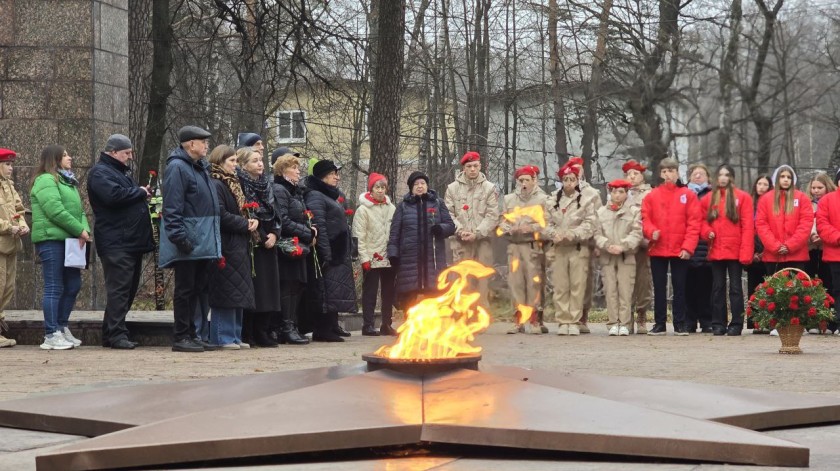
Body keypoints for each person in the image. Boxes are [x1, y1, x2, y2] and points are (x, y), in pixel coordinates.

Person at [87, 135, 154, 350]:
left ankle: (112, 333)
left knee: (127, 289)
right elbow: (113, 197)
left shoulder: (117, 172)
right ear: (113, 152)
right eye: (127, 153)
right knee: (119, 290)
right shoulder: (100, 172)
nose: (130, 157)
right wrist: (140, 192)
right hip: (117, 242)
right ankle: (116, 334)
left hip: (128, 241)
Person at [159, 126, 221, 353]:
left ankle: (192, 334)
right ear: (190, 144)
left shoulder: (199, 167)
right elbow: (172, 208)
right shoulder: (177, 168)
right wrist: (180, 238)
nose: (206, 145)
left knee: (196, 289)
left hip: (202, 241)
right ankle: (181, 336)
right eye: (202, 141)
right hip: (189, 241)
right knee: (185, 290)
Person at [30, 145, 91, 350]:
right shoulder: (46, 180)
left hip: (71, 239)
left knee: (73, 285)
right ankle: (50, 333)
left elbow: (79, 210)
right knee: (54, 286)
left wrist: (84, 230)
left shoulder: (67, 180)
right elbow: (55, 210)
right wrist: (78, 230)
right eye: (65, 155)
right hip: (51, 240)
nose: (70, 157)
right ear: (54, 159)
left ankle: (61, 326)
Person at [642, 157, 701, 336]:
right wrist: (651, 231)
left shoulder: (688, 195)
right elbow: (645, 218)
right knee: (659, 288)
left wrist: (688, 247)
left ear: (677, 173)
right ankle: (659, 323)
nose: (668, 174)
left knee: (679, 287)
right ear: (661, 174)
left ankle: (679, 324)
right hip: (658, 248)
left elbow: (694, 223)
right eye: (665, 171)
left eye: (672, 171)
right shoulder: (652, 195)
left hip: (680, 249)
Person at [207, 145, 256, 349]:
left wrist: (252, 221)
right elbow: (220, 214)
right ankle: (222, 336)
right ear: (220, 161)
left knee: (237, 292)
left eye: (236, 160)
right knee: (226, 291)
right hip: (227, 244)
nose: (236, 165)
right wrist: (244, 224)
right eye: (232, 161)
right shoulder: (217, 183)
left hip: (239, 243)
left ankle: (234, 335)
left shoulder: (233, 183)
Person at [304, 160, 358, 342]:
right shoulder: (316, 196)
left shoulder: (329, 195)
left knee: (335, 290)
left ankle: (332, 325)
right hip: (329, 252)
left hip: (338, 250)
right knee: (326, 291)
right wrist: (325, 252)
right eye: (333, 174)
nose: (337, 177)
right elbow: (319, 226)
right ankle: (323, 329)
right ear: (323, 176)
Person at [699, 165, 754, 336]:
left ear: (732, 177)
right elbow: (700, 221)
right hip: (716, 249)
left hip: (736, 250)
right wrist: (707, 232)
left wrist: (746, 253)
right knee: (718, 287)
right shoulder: (708, 198)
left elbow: (748, 227)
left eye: (727, 175)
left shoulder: (743, 197)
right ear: (716, 178)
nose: (723, 178)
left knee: (736, 288)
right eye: (720, 174)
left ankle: (736, 323)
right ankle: (718, 323)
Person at [389, 171, 456, 308]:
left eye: (423, 183)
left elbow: (451, 226)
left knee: (434, 297)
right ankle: (411, 327)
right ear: (411, 188)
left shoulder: (438, 203)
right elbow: (395, 232)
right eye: (416, 184)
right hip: (410, 259)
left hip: (433, 259)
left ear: (427, 185)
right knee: (410, 298)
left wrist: (441, 228)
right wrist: (393, 253)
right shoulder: (403, 206)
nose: (420, 186)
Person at [543, 163, 597, 336]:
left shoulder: (585, 200)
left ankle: (574, 320)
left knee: (577, 285)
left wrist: (573, 234)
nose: (568, 183)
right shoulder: (551, 201)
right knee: (560, 286)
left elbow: (590, 223)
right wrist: (554, 234)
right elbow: (544, 223)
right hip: (558, 248)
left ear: (577, 181)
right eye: (565, 179)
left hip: (577, 248)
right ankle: (562, 320)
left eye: (572, 179)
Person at [237, 147, 283, 347]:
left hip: (270, 241)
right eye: (255, 160)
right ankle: (250, 331)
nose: (260, 164)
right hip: (254, 242)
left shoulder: (266, 184)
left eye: (261, 160)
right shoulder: (241, 185)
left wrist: (275, 233)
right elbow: (247, 213)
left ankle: (263, 329)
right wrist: (263, 236)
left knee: (269, 289)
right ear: (243, 164)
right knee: (257, 288)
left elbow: (276, 212)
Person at [498, 165, 548, 334]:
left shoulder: (543, 199)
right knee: (515, 283)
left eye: (527, 180)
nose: (524, 183)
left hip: (532, 246)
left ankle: (534, 319)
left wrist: (531, 227)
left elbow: (547, 223)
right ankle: (518, 319)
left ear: (534, 180)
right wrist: (507, 228)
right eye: (521, 180)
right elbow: (502, 221)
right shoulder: (509, 199)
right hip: (514, 245)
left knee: (533, 283)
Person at [444, 151, 499, 307]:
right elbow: (448, 214)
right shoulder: (452, 189)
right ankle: (462, 313)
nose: (473, 169)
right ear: (463, 169)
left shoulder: (489, 188)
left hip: (483, 240)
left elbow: (492, 215)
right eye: (469, 166)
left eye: (475, 166)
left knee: (483, 278)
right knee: (462, 277)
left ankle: (481, 313)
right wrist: (460, 231)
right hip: (461, 241)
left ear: (480, 166)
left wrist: (477, 233)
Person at [271, 151, 312, 344]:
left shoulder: (295, 191)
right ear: (282, 171)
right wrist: (307, 232)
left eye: (298, 167)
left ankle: (292, 324)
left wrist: (310, 227)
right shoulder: (280, 190)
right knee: (288, 287)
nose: (298, 171)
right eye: (294, 168)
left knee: (297, 286)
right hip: (287, 246)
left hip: (298, 244)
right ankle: (285, 327)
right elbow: (284, 220)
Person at [594, 179, 642, 336]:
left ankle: (625, 323)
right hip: (608, 256)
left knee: (625, 291)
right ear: (610, 193)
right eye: (614, 191)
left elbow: (637, 233)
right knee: (610, 290)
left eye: (621, 191)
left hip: (626, 257)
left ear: (626, 193)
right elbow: (596, 233)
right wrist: (607, 245)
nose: (617, 195)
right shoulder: (601, 212)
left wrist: (623, 246)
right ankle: (613, 323)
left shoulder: (634, 212)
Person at [353, 173, 397, 336]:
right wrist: (364, 258)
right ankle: (368, 324)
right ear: (371, 190)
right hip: (371, 257)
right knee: (370, 292)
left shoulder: (391, 208)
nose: (380, 190)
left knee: (388, 293)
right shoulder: (363, 210)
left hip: (389, 257)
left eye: (383, 187)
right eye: (377, 187)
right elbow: (359, 236)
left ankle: (386, 323)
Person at [566, 157, 603, 334]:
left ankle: (583, 316)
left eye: (578, 169)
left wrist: (597, 243)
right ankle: (566, 317)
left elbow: (598, 219)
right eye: (572, 169)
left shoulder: (592, 194)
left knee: (585, 281)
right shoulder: (559, 194)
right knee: (565, 281)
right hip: (564, 245)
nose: (575, 172)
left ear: (583, 173)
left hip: (585, 243)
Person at [755, 165, 813, 274]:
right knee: (774, 290)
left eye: (789, 177)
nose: (786, 179)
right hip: (773, 256)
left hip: (796, 256)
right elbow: (761, 225)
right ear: (777, 179)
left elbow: (806, 224)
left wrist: (790, 246)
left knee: (796, 290)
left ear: (793, 180)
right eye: (782, 176)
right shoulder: (765, 199)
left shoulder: (802, 198)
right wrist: (775, 246)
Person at [0, 148, 29, 348]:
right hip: (2, 242)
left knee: (7, 288)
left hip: (10, 245)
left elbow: (19, 209)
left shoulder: (9, 186)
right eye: (6, 164)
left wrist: (23, 224)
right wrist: (8, 227)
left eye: (11, 164)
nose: (11, 168)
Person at [623, 159, 653, 334]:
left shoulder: (649, 194)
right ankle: (627, 316)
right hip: (624, 244)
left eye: (635, 174)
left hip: (642, 243)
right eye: (629, 174)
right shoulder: (620, 192)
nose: (632, 177)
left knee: (643, 280)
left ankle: (641, 314)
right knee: (625, 280)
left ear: (642, 176)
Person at [684, 164, 714, 333]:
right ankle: (689, 320)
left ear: (708, 177)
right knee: (688, 286)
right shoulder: (684, 195)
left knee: (706, 286)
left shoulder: (712, 196)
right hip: (687, 246)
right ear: (689, 177)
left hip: (706, 245)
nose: (698, 176)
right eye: (694, 174)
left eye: (701, 174)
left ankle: (706, 320)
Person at [806, 173, 835, 334]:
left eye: (820, 187)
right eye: (813, 187)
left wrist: (823, 237)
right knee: (810, 285)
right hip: (810, 248)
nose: (816, 191)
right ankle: (812, 320)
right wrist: (811, 235)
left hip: (827, 248)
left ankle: (829, 321)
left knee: (828, 284)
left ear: (827, 186)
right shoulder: (808, 204)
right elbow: (805, 222)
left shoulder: (831, 201)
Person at [814, 168, 840, 337]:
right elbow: (822, 224)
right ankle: (836, 322)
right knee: (836, 289)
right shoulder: (827, 201)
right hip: (835, 253)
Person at [747, 175, 772, 333]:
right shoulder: (749, 204)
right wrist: (753, 252)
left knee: (768, 288)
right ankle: (755, 322)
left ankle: (769, 321)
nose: (762, 187)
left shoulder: (772, 204)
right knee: (753, 289)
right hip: (752, 251)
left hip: (769, 251)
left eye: (765, 184)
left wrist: (764, 251)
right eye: (759, 184)